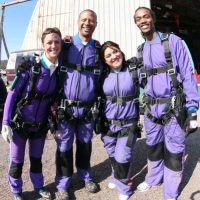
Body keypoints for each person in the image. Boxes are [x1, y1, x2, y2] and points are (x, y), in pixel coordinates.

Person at [133, 7, 199, 200]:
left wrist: (192, 109)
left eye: (146, 16)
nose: (143, 20)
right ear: (136, 22)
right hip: (151, 108)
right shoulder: (140, 50)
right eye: (138, 18)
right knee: (153, 145)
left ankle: (170, 192)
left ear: (152, 18)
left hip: (172, 105)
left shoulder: (173, 41)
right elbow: (138, 81)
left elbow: (187, 74)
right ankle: (154, 177)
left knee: (174, 149)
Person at [1, 27, 62, 200]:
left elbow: (54, 102)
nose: (53, 46)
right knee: (16, 161)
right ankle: (16, 190)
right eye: (49, 42)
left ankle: (39, 186)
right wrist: (5, 123)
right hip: (20, 123)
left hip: (39, 126)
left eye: (57, 42)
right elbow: (12, 95)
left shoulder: (59, 72)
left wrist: (54, 125)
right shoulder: (30, 67)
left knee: (36, 159)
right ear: (43, 45)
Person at [54, 9, 100, 200]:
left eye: (91, 20)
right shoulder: (64, 45)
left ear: (95, 24)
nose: (87, 23)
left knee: (85, 145)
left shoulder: (98, 49)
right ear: (78, 22)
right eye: (84, 20)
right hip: (66, 108)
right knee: (64, 148)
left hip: (87, 109)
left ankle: (85, 176)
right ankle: (63, 183)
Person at [99, 41, 141, 200]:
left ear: (121, 52)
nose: (113, 56)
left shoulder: (132, 70)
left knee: (122, 157)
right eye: (108, 55)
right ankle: (116, 176)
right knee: (112, 154)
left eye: (115, 51)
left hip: (128, 124)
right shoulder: (102, 75)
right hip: (108, 124)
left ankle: (125, 188)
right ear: (104, 60)